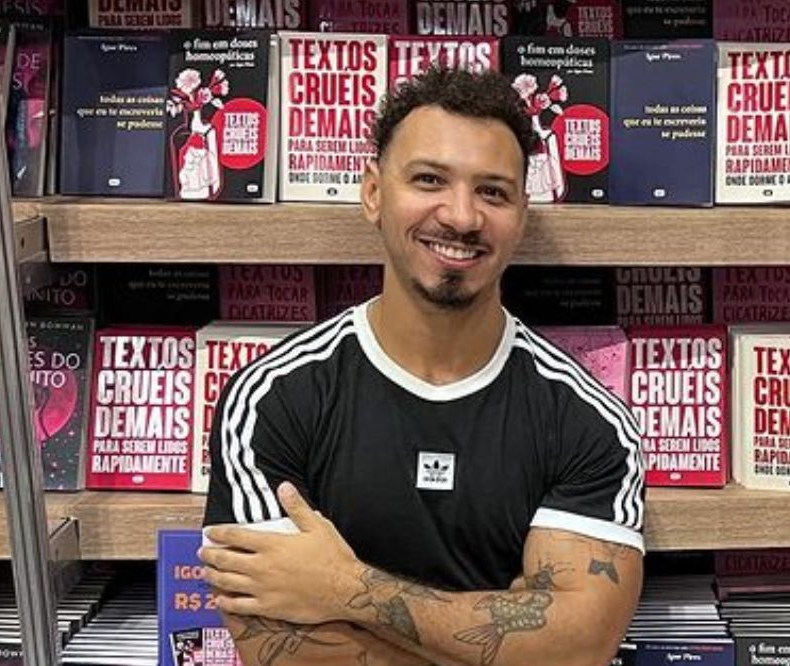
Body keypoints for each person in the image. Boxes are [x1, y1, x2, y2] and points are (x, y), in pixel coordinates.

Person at [199, 66, 646, 666]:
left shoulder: (588, 420)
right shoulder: (273, 397)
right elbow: (277, 650)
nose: (461, 217)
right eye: (430, 179)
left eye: (493, 191)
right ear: (374, 193)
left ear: (522, 215)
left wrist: (345, 588)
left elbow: (579, 645)